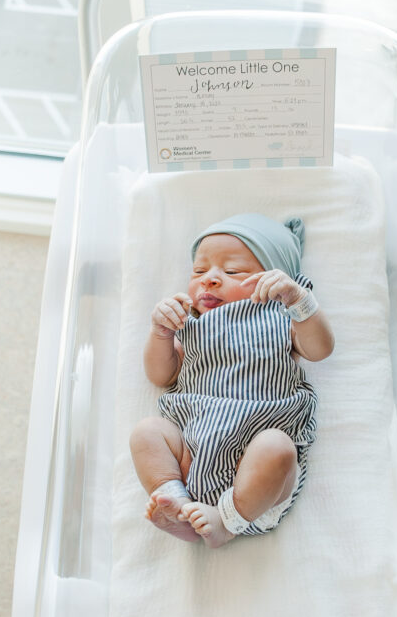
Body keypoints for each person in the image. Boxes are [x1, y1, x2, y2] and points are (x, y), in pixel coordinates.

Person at [129, 212, 334, 548]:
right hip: (193, 449)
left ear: (273, 280)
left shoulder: (281, 316)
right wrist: (161, 333)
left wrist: (299, 302)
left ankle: (227, 521)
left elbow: (320, 349)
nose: (209, 279)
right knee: (147, 433)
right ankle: (174, 499)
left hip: (254, 457)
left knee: (277, 448)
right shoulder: (191, 322)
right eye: (199, 271)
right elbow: (160, 375)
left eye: (232, 271)